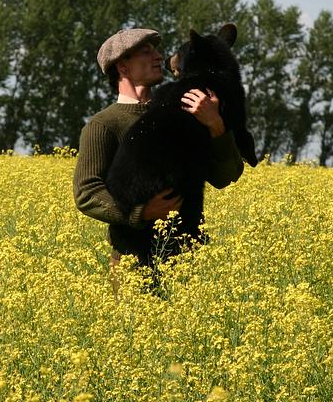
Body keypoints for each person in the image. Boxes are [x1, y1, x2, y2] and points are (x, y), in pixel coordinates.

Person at [73, 28, 244, 271]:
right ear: (122, 66)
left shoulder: (193, 106)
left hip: (189, 256)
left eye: (156, 50)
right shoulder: (103, 125)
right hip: (133, 261)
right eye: (146, 51)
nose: (158, 56)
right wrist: (139, 214)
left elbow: (226, 176)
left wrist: (216, 127)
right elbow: (87, 193)